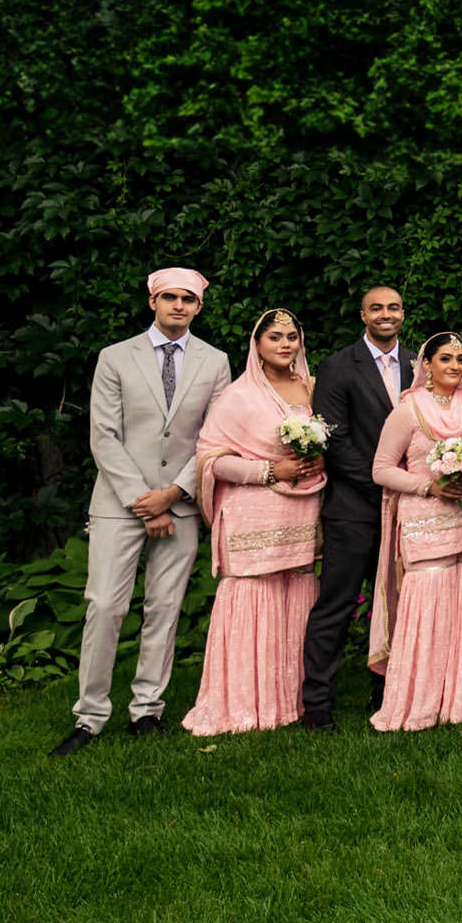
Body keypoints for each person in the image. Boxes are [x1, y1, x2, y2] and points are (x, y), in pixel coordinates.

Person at [53, 268, 233, 757]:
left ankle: (146, 710)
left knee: (165, 609)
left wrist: (174, 492)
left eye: (188, 300)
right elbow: (103, 436)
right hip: (119, 503)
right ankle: (89, 717)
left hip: (181, 503)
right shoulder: (115, 356)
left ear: (199, 307)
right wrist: (144, 499)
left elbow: (215, 439)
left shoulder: (216, 362)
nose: (179, 306)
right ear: (152, 301)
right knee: (106, 607)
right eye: (169, 297)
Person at [183, 309, 328, 735]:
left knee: (296, 592)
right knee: (255, 598)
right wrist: (269, 471)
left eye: (292, 337)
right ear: (257, 346)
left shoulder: (314, 389)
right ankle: (244, 702)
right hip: (252, 514)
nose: (285, 344)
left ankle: (289, 699)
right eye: (275, 337)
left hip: (303, 509)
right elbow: (211, 459)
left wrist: (319, 459)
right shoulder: (239, 396)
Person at [366, 331, 462, 730]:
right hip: (425, 525)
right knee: (427, 612)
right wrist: (430, 485)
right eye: (446, 359)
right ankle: (419, 702)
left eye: (461, 360)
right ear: (426, 364)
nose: (455, 368)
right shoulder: (408, 411)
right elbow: (381, 469)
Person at [301, 285, 414, 730]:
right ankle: (317, 704)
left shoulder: (419, 364)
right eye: (377, 309)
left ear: (402, 313)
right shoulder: (338, 366)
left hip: (407, 511)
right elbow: (333, 439)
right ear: (362, 315)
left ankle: (387, 691)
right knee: (337, 603)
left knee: (397, 604)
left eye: (393, 308)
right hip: (354, 508)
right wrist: (386, 481)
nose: (386, 315)